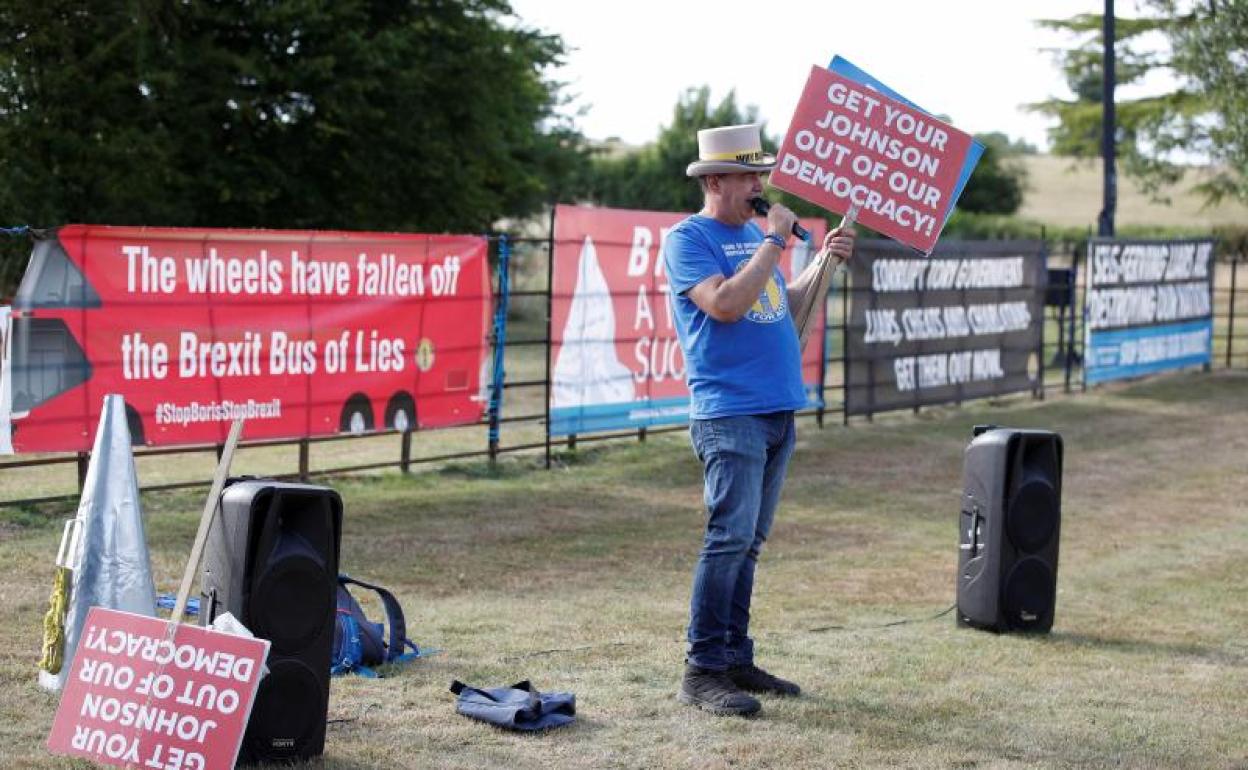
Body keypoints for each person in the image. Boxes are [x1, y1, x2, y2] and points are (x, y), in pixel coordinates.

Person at [663, 123, 856, 717]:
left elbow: (781, 306)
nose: (759, 185)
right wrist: (775, 243)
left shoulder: (754, 236)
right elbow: (723, 304)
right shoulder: (688, 239)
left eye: (760, 174)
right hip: (730, 414)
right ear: (715, 180)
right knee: (727, 539)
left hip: (776, 409)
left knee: (748, 543)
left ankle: (734, 657)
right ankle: (703, 671)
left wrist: (822, 261)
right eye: (748, 175)